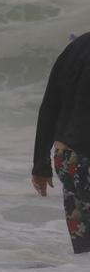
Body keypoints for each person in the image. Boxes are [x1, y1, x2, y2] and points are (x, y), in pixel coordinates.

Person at [31, 32, 90, 254]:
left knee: (85, 246)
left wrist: (40, 163)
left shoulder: (74, 49)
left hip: (67, 159)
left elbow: (49, 107)